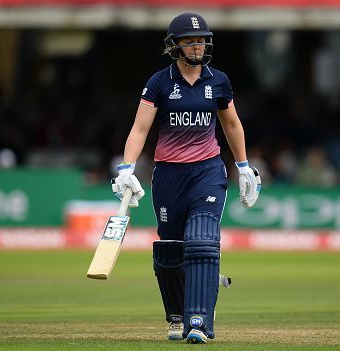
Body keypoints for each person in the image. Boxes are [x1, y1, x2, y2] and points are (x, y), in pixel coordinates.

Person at [111, 13, 261, 344]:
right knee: (169, 253)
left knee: (202, 241)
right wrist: (126, 169)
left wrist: (243, 166)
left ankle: (201, 321)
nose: (199, 45)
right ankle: (178, 315)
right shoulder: (159, 83)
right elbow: (140, 128)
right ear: (174, 46)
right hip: (168, 176)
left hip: (207, 171)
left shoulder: (218, 80)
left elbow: (232, 124)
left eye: (203, 40)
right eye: (191, 41)